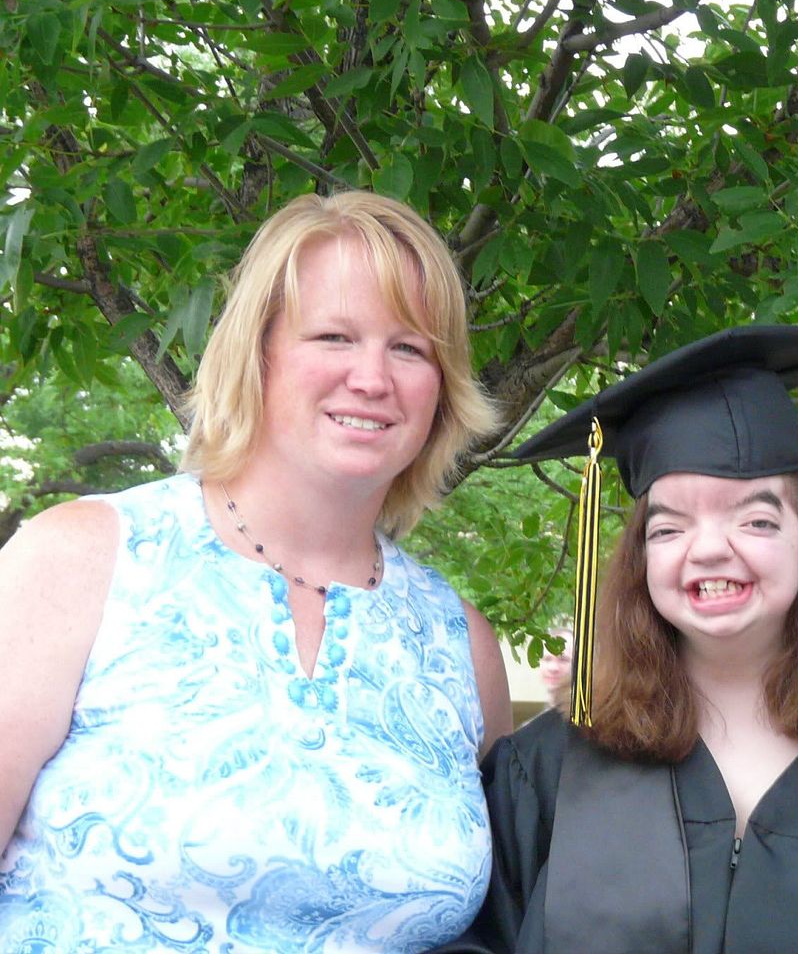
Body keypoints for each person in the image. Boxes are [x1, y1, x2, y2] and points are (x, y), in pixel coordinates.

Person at [0, 191, 512, 952]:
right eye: (334, 336)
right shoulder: (84, 559)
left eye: (409, 348)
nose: (372, 378)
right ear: (258, 352)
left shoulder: (459, 645)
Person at [464, 325, 798, 954]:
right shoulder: (546, 770)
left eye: (757, 519)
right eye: (669, 528)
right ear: (641, 562)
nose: (710, 548)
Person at [538, 625, 574, 708]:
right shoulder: (544, 717)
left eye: (563, 660)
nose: (553, 668)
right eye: (547, 659)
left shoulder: (586, 716)